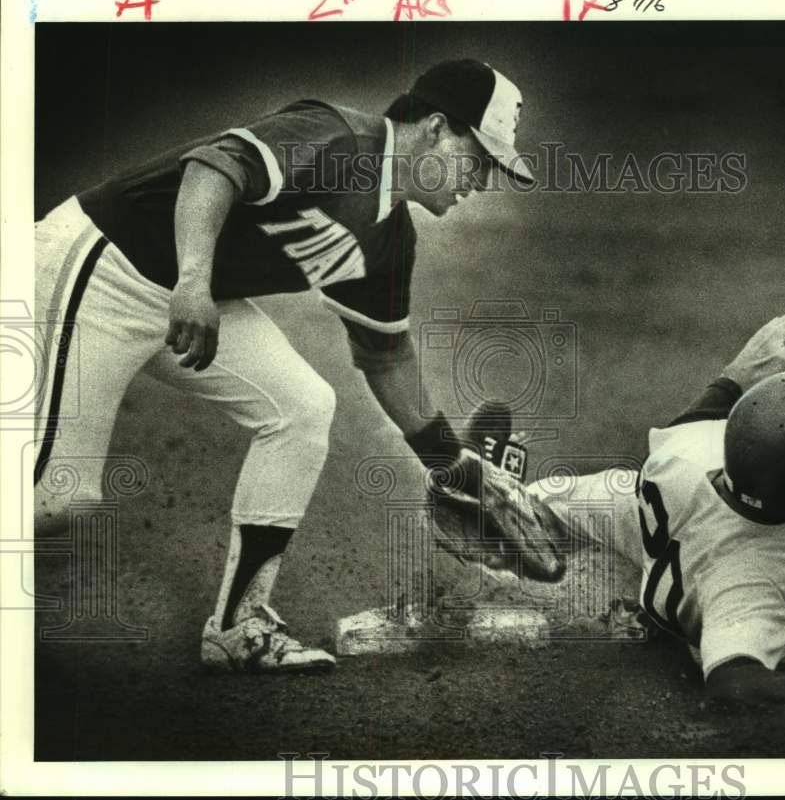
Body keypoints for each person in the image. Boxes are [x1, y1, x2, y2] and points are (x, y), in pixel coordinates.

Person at [33, 58, 534, 672]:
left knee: (300, 407)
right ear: (434, 127)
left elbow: (385, 356)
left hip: (190, 299)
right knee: (56, 497)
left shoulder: (388, 240)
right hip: (99, 266)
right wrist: (192, 280)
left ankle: (237, 628)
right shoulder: (338, 140)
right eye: (480, 159)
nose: (482, 180)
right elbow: (213, 167)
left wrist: (453, 467)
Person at [522, 313, 785, 718]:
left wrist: (746, 366)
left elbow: (713, 403)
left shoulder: (687, 451)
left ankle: (508, 495)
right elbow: (734, 681)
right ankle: (682, 637)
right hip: (736, 613)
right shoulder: (756, 583)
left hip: (640, 535)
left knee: (560, 499)